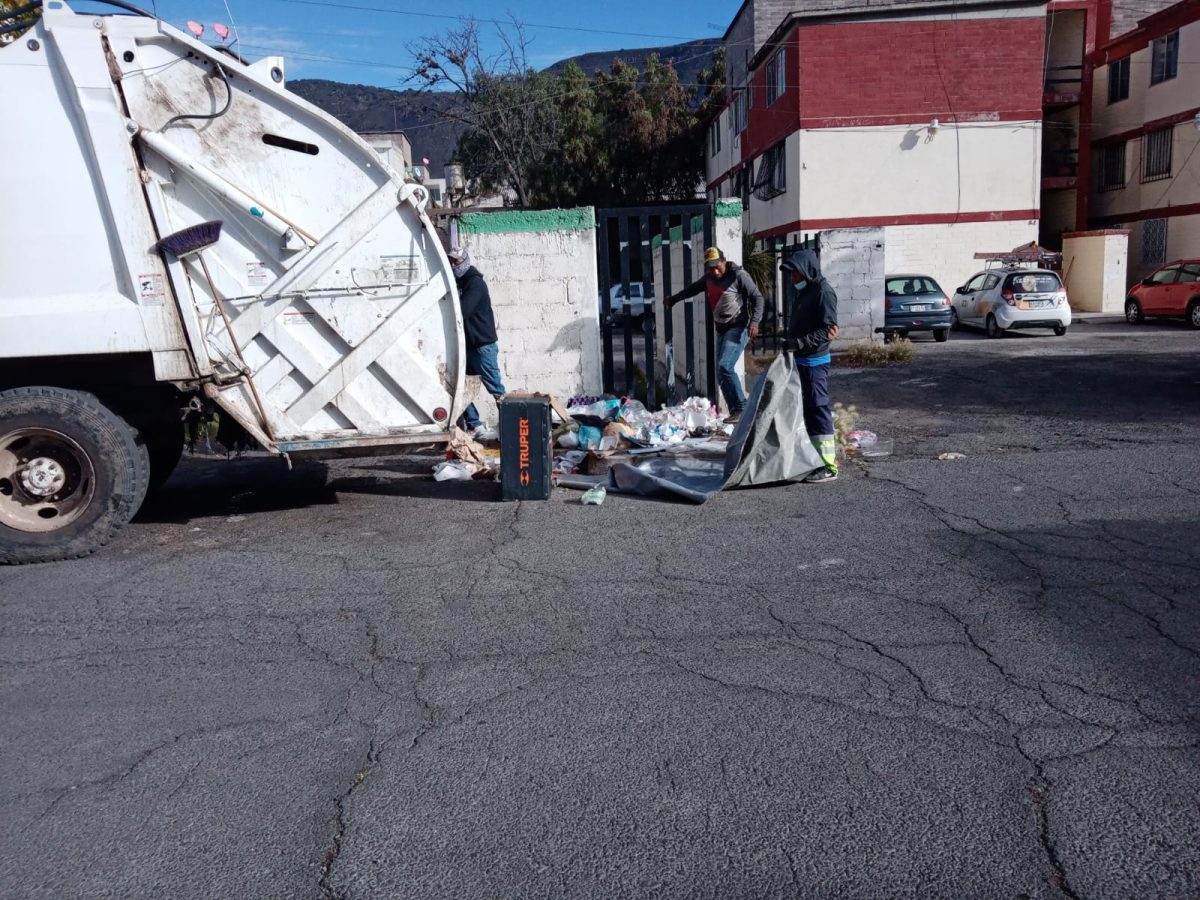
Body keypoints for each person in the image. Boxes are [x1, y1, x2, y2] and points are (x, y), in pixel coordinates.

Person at [662, 247, 764, 423]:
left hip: (738, 327)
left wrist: (754, 322)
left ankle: (742, 408)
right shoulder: (709, 278)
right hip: (722, 329)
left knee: (725, 366)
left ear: (724, 261)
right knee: (721, 372)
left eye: (717, 266)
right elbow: (692, 289)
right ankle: (736, 412)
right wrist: (673, 300)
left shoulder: (739, 276)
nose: (715, 271)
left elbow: (758, 298)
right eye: (710, 268)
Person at [782, 249, 840, 483]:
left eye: (795, 273)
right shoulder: (806, 291)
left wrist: (800, 342)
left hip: (815, 361)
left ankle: (828, 466)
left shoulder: (824, 292)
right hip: (802, 360)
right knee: (807, 411)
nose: (792, 278)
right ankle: (813, 459)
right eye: (791, 274)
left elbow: (828, 330)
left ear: (808, 269)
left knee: (818, 409)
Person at [448, 244, 505, 434]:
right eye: (452, 261)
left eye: (457, 261)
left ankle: (509, 424)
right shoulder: (462, 283)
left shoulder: (475, 284)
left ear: (465, 261)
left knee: (495, 387)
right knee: (464, 388)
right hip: (471, 346)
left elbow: (463, 311)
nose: (454, 264)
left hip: (483, 346)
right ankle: (474, 424)